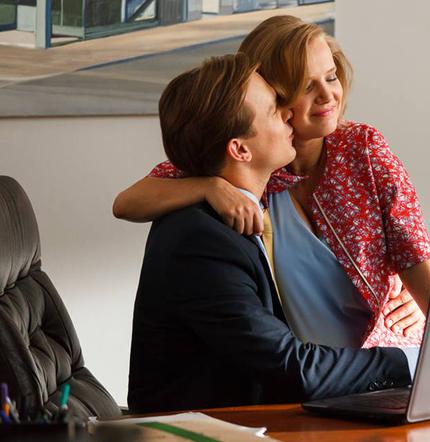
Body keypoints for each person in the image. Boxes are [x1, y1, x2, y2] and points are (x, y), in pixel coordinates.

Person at [119, 17, 430, 389]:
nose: (328, 95)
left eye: (330, 77)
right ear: (273, 97)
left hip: (376, 364)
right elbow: (128, 202)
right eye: (302, 86)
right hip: (306, 375)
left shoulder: (362, 151)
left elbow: (420, 266)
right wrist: (205, 188)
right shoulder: (238, 166)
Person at [128, 54, 414, 413]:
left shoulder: (241, 215)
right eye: (275, 109)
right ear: (240, 149)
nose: (289, 114)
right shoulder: (199, 239)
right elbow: (292, 367)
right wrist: (410, 362)